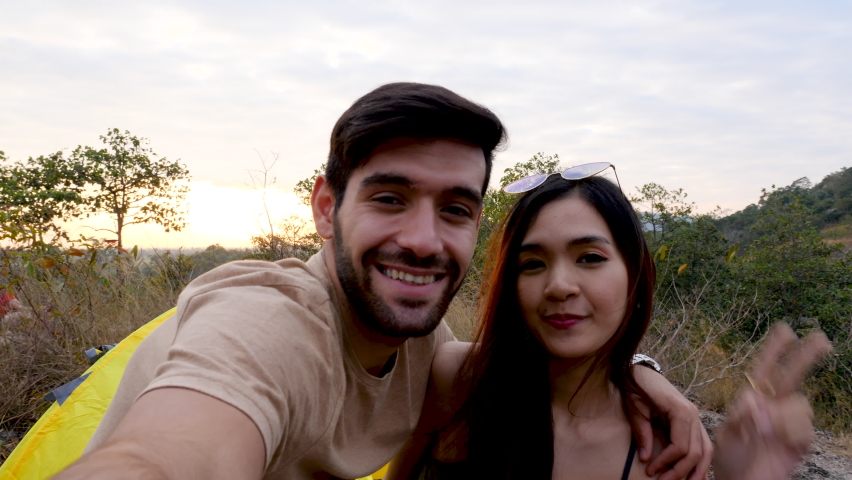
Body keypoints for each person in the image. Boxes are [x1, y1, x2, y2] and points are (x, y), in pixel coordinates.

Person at [56, 84, 710, 480]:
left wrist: (639, 372)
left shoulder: (423, 346)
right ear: (325, 208)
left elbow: (522, 361)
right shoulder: (267, 322)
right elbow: (173, 452)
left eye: (455, 208)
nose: (424, 240)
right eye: (390, 198)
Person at [384, 169, 832, 480]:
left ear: (634, 275)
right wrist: (641, 367)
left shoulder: (664, 449)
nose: (559, 285)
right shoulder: (458, 380)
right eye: (533, 263)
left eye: (590, 258)